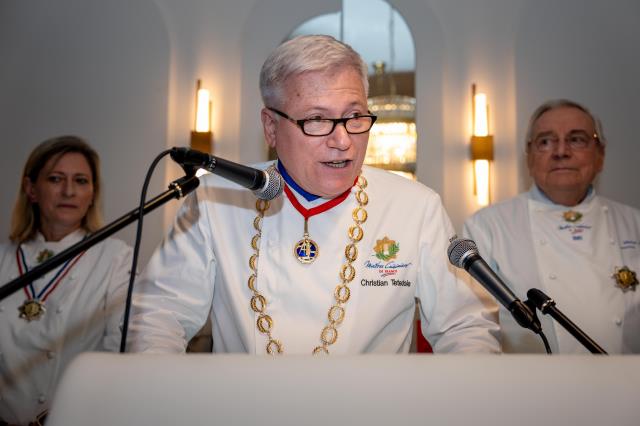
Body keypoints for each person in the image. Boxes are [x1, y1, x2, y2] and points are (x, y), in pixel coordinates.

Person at [128, 34, 499, 355]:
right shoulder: (214, 200)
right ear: (271, 127)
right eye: (317, 120)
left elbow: (465, 328)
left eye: (355, 116)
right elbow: (159, 316)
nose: (343, 141)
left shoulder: (416, 207)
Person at [464, 99, 640, 354]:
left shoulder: (634, 224)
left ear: (600, 155)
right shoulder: (487, 227)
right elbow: (473, 328)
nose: (561, 151)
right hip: (533, 387)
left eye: (577, 139)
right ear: (529, 157)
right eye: (545, 141)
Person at [0, 136, 133, 425]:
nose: (69, 191)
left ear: (92, 194)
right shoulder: (3, 258)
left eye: (81, 181)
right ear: (31, 189)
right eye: (56, 179)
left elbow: (117, 352)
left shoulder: (115, 258)